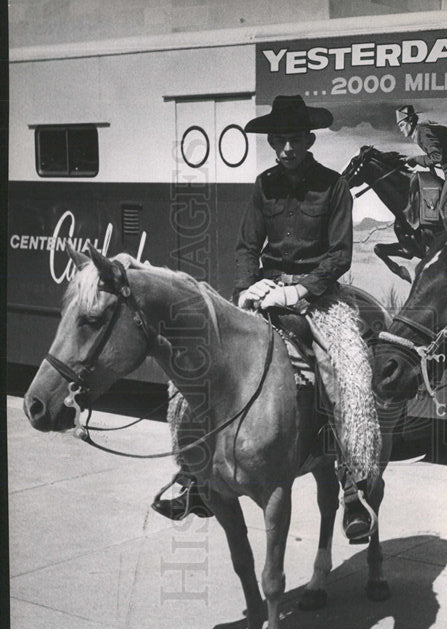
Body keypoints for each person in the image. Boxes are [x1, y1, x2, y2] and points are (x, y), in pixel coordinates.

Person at [152, 95, 381, 544]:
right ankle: (193, 474)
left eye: (295, 139)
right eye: (280, 140)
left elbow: (339, 254)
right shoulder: (264, 185)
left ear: (309, 140)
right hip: (265, 291)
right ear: (273, 142)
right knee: (197, 364)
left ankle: (353, 485)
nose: (287, 148)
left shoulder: (334, 186)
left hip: (317, 297)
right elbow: (245, 246)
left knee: (345, 373)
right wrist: (247, 287)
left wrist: (301, 289)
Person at [395, 105, 447, 229]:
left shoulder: (422, 133)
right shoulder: (425, 128)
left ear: (410, 121)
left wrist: (416, 159)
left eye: (402, 125)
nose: (401, 130)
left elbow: (437, 156)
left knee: (445, 209)